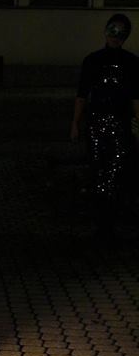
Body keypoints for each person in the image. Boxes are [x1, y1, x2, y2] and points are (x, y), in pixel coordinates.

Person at [71, 13, 139, 235]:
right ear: (106, 30)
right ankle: (102, 217)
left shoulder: (131, 62)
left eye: (120, 33)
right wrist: (75, 123)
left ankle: (110, 215)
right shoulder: (93, 60)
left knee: (116, 169)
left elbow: (135, 97)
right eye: (113, 30)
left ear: (125, 36)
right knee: (99, 168)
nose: (115, 36)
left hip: (120, 124)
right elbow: (82, 94)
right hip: (96, 123)